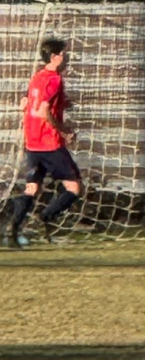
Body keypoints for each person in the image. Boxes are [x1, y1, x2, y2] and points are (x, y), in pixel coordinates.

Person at [0, 38, 82, 249]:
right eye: (64, 54)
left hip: (32, 142)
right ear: (55, 57)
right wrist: (64, 131)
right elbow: (44, 111)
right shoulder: (54, 79)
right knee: (73, 188)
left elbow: (24, 103)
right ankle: (46, 216)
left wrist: (64, 103)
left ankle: (13, 232)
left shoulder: (37, 77)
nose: (68, 57)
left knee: (32, 188)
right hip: (49, 143)